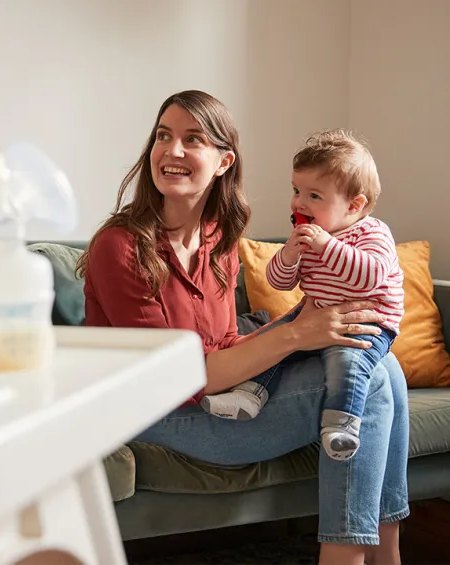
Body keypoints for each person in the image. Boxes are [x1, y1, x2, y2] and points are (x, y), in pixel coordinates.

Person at [77, 90, 409, 565]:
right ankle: (349, 558)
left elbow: (226, 342)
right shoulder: (120, 246)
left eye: (193, 139)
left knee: (385, 364)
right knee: (373, 379)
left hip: (211, 392)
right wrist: (297, 333)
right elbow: (173, 379)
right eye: (163, 136)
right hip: (153, 410)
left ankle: (385, 555)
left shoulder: (219, 236)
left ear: (223, 161)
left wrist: (302, 335)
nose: (172, 151)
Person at [201, 130, 404, 462]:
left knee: (348, 362)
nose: (299, 203)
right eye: (297, 191)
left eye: (314, 196)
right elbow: (279, 281)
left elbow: (369, 276)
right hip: (316, 312)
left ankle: (341, 424)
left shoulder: (372, 232)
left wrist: (326, 245)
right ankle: (249, 394)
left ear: (354, 205)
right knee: (268, 341)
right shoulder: (308, 235)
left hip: (365, 323)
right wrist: (289, 255)